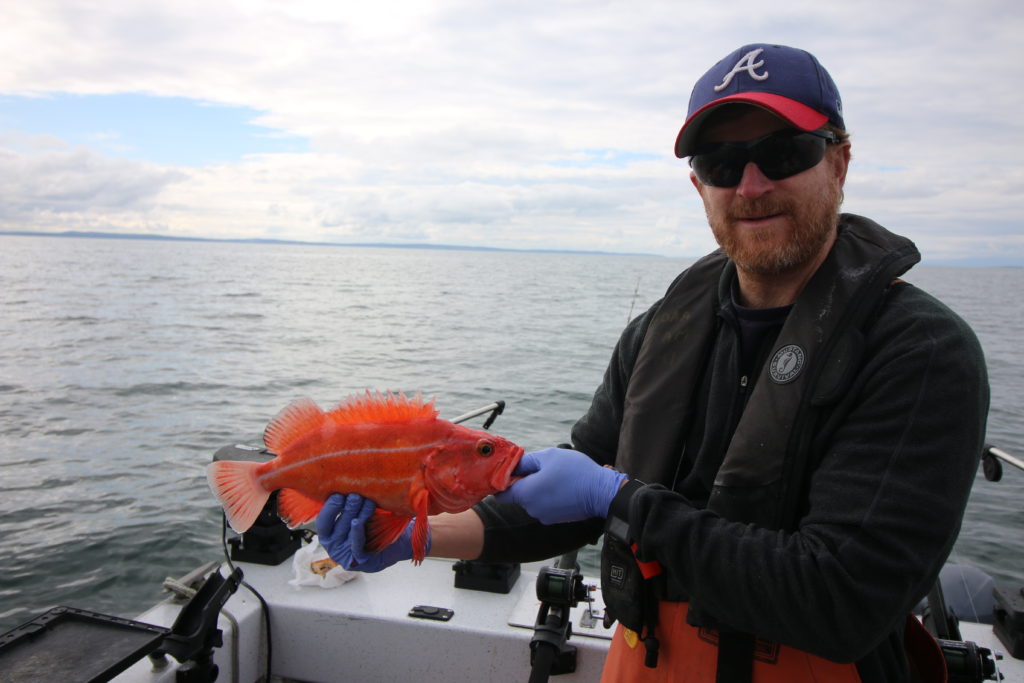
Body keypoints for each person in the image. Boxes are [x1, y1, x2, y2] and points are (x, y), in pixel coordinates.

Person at [317, 43, 989, 682]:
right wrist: (414, 535)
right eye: (721, 163)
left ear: (838, 163)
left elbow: (843, 598)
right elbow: (568, 499)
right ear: (699, 185)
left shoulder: (921, 351)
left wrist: (619, 498)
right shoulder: (659, 333)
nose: (751, 185)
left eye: (784, 152)